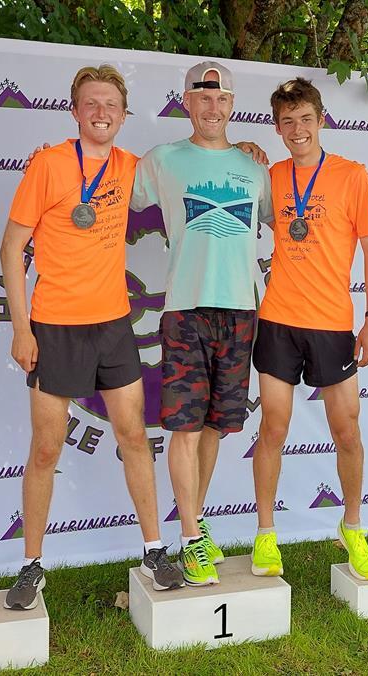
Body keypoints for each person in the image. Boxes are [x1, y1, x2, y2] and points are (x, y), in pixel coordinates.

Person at [0, 64, 185, 609]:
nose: (101, 113)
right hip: (54, 327)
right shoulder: (49, 165)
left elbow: (195, 167)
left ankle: (153, 550)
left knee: (133, 437)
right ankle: (32, 566)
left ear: (124, 115)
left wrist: (243, 146)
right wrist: (21, 327)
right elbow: (12, 248)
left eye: (111, 105)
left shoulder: (134, 168)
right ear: (75, 111)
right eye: (91, 104)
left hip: (113, 327)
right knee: (46, 449)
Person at [130, 61, 274, 585]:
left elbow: (291, 220)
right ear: (186, 102)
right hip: (185, 312)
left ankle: (196, 524)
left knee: (216, 426)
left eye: (221, 99)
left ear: (232, 105)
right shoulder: (162, 160)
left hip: (240, 311)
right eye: (202, 98)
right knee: (184, 429)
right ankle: (191, 538)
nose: (212, 107)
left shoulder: (256, 167)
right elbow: (103, 188)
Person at [248, 78, 368, 580]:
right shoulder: (271, 176)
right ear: (278, 127)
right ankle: (265, 534)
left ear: (321, 119)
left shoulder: (352, 176)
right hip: (279, 320)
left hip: (332, 323)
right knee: (274, 429)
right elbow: (238, 182)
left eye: (305, 118)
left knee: (346, 431)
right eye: (287, 121)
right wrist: (243, 153)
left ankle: (352, 526)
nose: (297, 129)